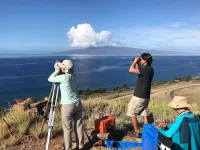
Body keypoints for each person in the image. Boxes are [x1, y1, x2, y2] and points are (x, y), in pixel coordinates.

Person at [48, 60, 84, 150]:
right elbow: (66, 72)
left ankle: (68, 148)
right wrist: (62, 68)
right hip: (78, 103)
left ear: (65, 69)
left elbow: (50, 78)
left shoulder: (63, 78)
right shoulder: (74, 76)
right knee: (78, 126)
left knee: (67, 129)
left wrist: (57, 70)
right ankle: (81, 146)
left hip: (67, 106)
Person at [127, 53, 154, 138]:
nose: (140, 60)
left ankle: (137, 132)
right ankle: (148, 131)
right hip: (145, 97)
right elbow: (140, 72)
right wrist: (139, 64)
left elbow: (131, 70)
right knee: (144, 113)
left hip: (139, 96)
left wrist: (134, 62)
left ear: (145, 61)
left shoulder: (145, 70)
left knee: (131, 112)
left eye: (141, 59)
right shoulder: (150, 69)